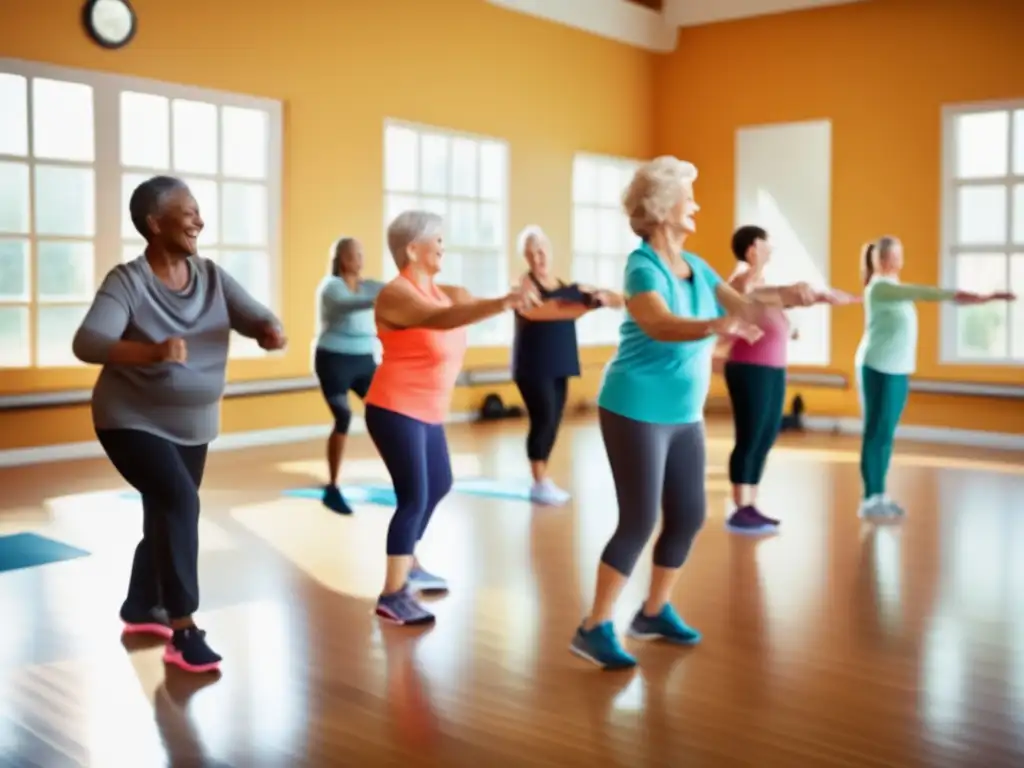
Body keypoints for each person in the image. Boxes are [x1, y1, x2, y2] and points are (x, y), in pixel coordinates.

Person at [569, 156, 818, 670]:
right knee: (639, 520)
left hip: (685, 414)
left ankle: (654, 612)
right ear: (663, 207)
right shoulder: (643, 267)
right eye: (689, 194)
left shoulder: (697, 265)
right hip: (635, 408)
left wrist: (783, 295)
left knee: (688, 515)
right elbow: (659, 322)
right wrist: (716, 326)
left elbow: (739, 300)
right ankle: (594, 626)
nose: (697, 204)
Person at [72, 175, 286, 674]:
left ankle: (141, 606)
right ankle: (183, 629)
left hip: (194, 422)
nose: (199, 221)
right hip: (130, 418)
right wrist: (150, 351)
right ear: (154, 222)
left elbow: (255, 314)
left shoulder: (210, 275)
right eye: (188, 212)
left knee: (168, 511)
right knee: (181, 502)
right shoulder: (127, 281)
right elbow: (88, 342)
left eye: (198, 212)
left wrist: (266, 330)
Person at [365, 210, 539, 625]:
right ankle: (392, 594)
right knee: (414, 496)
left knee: (439, 483)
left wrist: (520, 297)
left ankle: (410, 560)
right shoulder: (395, 295)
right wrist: (501, 303)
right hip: (394, 407)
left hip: (427, 411)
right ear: (412, 249)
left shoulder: (451, 292)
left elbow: (461, 308)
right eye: (437, 240)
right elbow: (438, 319)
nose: (444, 246)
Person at [855, 236, 1014, 518]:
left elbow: (922, 296)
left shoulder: (893, 289)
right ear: (883, 260)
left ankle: (880, 494)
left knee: (886, 435)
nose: (900, 260)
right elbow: (925, 293)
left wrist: (982, 299)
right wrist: (973, 295)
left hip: (898, 369)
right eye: (896, 255)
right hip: (878, 367)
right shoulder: (879, 288)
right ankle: (869, 499)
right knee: (876, 433)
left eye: (900, 254)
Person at [718, 225, 859, 534]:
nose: (772, 248)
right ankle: (740, 508)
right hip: (748, 368)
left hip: (772, 368)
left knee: (766, 435)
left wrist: (813, 304)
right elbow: (756, 298)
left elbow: (778, 309)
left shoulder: (763, 284)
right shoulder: (741, 281)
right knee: (750, 435)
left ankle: (751, 504)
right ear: (754, 247)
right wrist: (803, 294)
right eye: (768, 243)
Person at [511, 225, 623, 505]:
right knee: (544, 418)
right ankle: (538, 482)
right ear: (525, 258)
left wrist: (603, 298)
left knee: (554, 420)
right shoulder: (524, 288)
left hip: (559, 360)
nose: (537, 258)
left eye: (541, 251)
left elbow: (602, 296)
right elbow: (542, 311)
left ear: (549, 250)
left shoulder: (568, 288)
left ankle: (542, 478)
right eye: (530, 254)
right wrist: (585, 305)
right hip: (532, 364)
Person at [313, 237, 385, 515]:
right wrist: (381, 297)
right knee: (343, 416)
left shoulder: (369, 285)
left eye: (362, 252)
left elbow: (394, 289)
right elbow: (351, 304)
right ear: (343, 259)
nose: (361, 258)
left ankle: (402, 471)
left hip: (364, 359)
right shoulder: (331, 288)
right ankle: (332, 486)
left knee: (385, 409)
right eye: (356, 254)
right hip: (333, 359)